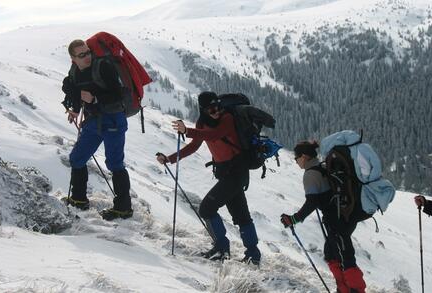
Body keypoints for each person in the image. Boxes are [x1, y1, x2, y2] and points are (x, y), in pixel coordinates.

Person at [156, 91, 261, 265]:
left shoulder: (227, 118)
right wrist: (170, 158)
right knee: (241, 214)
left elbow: (215, 135)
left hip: (237, 171)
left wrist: (187, 130)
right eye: (211, 109)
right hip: (227, 173)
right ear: (203, 109)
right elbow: (193, 146)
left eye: (218, 107)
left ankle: (222, 248)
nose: (216, 112)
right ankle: (253, 255)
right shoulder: (202, 123)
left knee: (206, 209)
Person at [281, 141, 367, 293]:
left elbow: (312, 202)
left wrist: (294, 219)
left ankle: (355, 290)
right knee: (332, 254)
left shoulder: (310, 174)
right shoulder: (322, 167)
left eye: (297, 157)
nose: (295, 160)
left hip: (336, 220)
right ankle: (344, 289)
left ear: (305, 156)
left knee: (345, 257)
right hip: (344, 216)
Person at [61, 39, 133, 221]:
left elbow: (119, 93)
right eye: (82, 55)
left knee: (115, 163)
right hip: (94, 121)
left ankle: (123, 209)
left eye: (88, 52)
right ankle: (78, 199)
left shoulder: (104, 67)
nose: (87, 57)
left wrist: (95, 100)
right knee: (77, 158)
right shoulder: (75, 73)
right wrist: (74, 109)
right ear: (73, 58)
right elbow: (74, 91)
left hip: (113, 120)